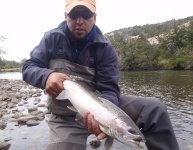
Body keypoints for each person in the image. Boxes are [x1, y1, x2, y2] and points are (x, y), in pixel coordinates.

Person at [22, 0, 179, 149]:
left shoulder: (105, 49)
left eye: (86, 15)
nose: (80, 21)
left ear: (95, 18)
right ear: (65, 16)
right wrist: (47, 76)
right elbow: (29, 67)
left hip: (100, 106)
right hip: (64, 115)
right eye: (74, 15)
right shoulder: (51, 39)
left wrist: (107, 119)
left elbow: (109, 89)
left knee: (154, 109)